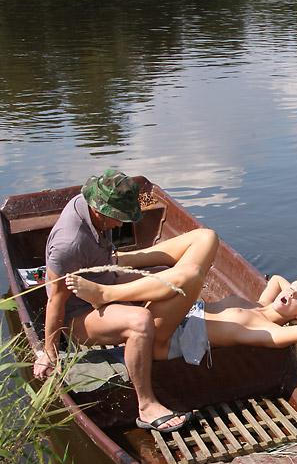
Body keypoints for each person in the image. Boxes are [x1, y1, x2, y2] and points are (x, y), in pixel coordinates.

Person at [33, 169, 219, 435]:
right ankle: (147, 406)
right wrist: (49, 352)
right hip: (81, 317)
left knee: (206, 237)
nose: (121, 225)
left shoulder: (87, 203)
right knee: (141, 320)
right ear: (99, 210)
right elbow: (56, 301)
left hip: (107, 275)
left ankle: (125, 287)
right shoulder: (69, 245)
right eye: (118, 218)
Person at [65, 272, 297, 368]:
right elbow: (279, 278)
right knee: (163, 276)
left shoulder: (270, 332)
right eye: (291, 289)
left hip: (167, 341)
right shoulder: (258, 305)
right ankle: (99, 292)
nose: (289, 293)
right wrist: (293, 289)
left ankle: (102, 295)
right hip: (174, 320)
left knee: (185, 279)